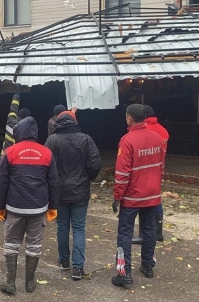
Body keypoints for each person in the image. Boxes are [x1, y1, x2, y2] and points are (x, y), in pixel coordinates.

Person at [0, 116, 59, 295]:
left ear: (19, 133)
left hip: (14, 208)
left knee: (11, 244)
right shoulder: (46, 153)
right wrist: (53, 206)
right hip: (38, 208)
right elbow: (53, 182)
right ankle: (30, 283)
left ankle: (10, 283)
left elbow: (0, 183)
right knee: (34, 245)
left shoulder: (10, 152)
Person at [111, 104, 164, 288]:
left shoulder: (127, 141)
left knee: (124, 234)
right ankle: (148, 266)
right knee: (149, 230)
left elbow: (122, 174)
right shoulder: (157, 137)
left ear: (129, 118)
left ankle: (124, 273)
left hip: (132, 196)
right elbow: (161, 167)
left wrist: (117, 196)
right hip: (152, 194)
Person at [44, 111, 101, 280]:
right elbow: (95, 162)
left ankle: (64, 261)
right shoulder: (85, 139)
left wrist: (49, 182)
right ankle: (78, 267)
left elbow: (44, 164)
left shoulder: (52, 140)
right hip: (80, 190)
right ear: (75, 121)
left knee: (62, 226)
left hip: (59, 191)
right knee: (78, 228)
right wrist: (88, 177)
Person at [132, 105, 170, 244]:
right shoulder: (162, 130)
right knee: (156, 198)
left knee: (144, 202)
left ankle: (144, 234)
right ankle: (158, 232)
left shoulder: (145, 130)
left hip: (144, 169)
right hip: (158, 168)